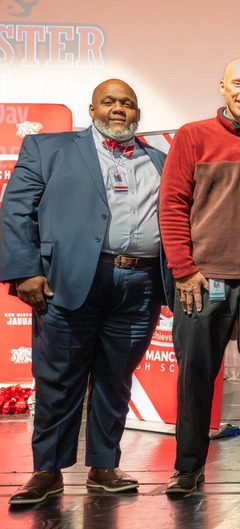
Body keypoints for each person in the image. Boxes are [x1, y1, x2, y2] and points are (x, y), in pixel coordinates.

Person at [0, 79, 172, 504]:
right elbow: (17, 211)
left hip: (139, 285)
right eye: (109, 102)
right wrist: (25, 271)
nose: (119, 109)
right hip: (67, 282)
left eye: (128, 103)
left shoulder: (161, 160)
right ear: (92, 108)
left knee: (116, 379)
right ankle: (47, 472)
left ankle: (104, 467)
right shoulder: (49, 148)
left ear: (138, 113)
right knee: (58, 379)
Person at [158, 59, 240, 494]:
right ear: (223, 87)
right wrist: (184, 271)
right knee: (195, 376)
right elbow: (171, 205)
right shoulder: (193, 136)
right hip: (203, 279)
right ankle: (188, 468)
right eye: (238, 83)